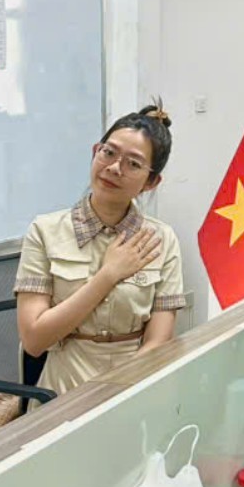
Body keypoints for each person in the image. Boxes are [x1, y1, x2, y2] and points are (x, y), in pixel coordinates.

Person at [15, 103, 185, 395]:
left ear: (151, 182)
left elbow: (158, 340)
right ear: (96, 151)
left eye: (133, 164)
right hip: (62, 390)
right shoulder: (45, 231)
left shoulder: (161, 239)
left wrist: (113, 392)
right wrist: (108, 275)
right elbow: (34, 340)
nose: (114, 168)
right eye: (108, 152)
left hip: (133, 388)